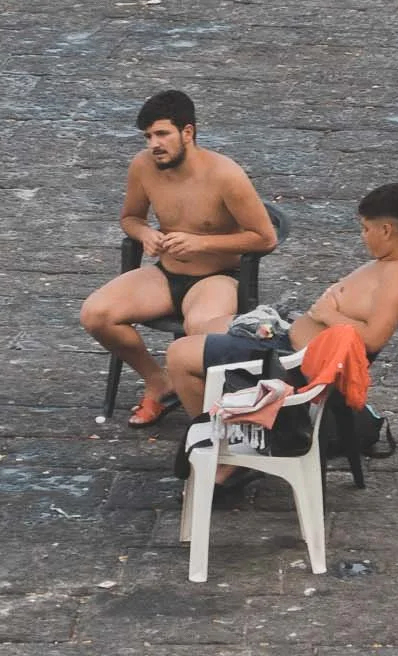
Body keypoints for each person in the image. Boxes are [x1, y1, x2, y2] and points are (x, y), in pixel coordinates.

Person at [80, 91, 277, 427]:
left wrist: (201, 244)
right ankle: (159, 382)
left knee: (199, 328)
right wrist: (146, 234)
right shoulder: (143, 167)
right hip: (165, 273)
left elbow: (265, 237)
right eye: (148, 137)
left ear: (188, 132)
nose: (154, 144)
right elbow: (130, 218)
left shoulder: (225, 175)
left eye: (162, 134)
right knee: (96, 314)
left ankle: (216, 414)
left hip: (215, 277)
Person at [163, 181, 398, 420]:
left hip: (291, 361)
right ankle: (234, 410)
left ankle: (221, 448)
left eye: (366, 229)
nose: (363, 236)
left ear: (387, 230)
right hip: (287, 336)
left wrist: (330, 314)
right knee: (202, 326)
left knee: (178, 356)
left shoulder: (397, 276)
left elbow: (374, 339)